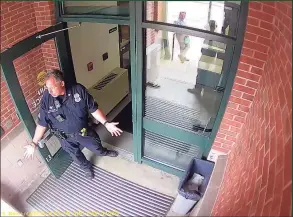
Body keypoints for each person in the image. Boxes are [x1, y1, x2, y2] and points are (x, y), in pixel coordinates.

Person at [24, 69, 123, 179]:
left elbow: (93, 109)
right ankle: (87, 168)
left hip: (83, 132)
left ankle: (103, 152)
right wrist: (34, 142)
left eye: (52, 87)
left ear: (62, 83)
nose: (49, 91)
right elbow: (42, 123)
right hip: (65, 138)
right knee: (77, 156)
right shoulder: (46, 100)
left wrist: (106, 123)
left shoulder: (78, 90)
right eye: (47, 88)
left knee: (97, 147)